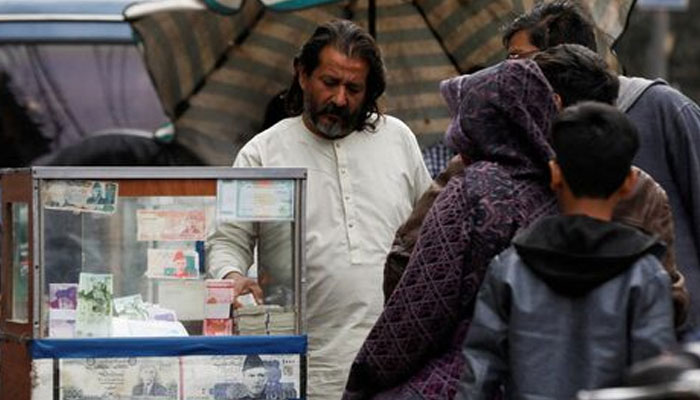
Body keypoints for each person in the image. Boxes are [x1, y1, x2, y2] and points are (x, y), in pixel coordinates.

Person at [383, 44, 689, 327]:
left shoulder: (474, 172)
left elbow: (404, 266)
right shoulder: (639, 188)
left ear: (548, 103)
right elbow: (669, 305)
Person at [206, 19, 431, 398]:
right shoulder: (263, 154)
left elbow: (428, 232)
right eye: (330, 83)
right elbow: (229, 240)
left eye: (354, 88)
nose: (340, 100)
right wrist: (231, 275)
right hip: (305, 367)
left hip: (394, 363)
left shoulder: (399, 140)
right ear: (302, 74)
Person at [344, 59, 559, 399]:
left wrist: (364, 379)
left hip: (468, 379)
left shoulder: (470, 193)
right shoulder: (568, 190)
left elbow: (418, 311)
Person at [456, 101, 677, 400]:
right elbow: (653, 384)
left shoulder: (510, 267)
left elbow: (479, 375)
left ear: (555, 173)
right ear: (629, 183)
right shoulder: (645, 275)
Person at [503, 0, 700, 331]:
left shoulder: (661, 108)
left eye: (519, 60)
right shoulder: (533, 137)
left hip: (683, 333)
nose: (510, 74)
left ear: (562, 59)